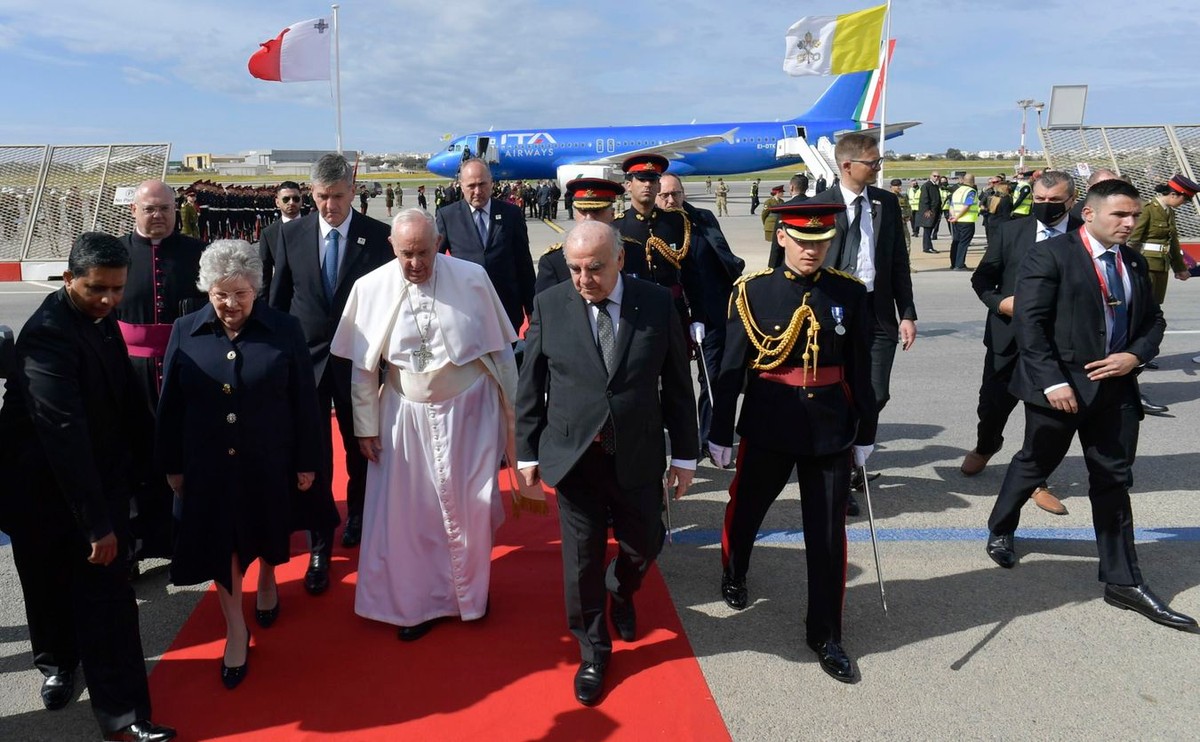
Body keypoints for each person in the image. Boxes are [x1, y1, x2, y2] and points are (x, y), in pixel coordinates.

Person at [984, 179, 1197, 632]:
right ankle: (1002, 524)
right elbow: (1030, 323)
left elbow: (1154, 320)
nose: (1129, 222)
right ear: (1090, 214)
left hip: (1115, 389)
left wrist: (1135, 356)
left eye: (1134, 215)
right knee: (1034, 461)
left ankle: (1122, 580)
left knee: (1114, 481)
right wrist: (1052, 382)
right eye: (1120, 215)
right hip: (1060, 389)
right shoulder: (1053, 255)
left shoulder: (1133, 261)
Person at [0, 233, 176, 742]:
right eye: (97, 288)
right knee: (45, 584)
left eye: (118, 289)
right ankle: (56, 664)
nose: (109, 300)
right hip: (37, 488)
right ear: (67, 279)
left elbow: (123, 401)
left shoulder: (98, 320)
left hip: (91, 478)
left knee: (108, 600)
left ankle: (125, 714)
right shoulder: (49, 335)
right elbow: (63, 434)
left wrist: (158, 465)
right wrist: (96, 524)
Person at [515, 220, 698, 707]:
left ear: (620, 259)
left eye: (594, 267)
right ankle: (594, 650)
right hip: (574, 456)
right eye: (574, 268)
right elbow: (530, 386)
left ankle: (621, 589)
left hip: (636, 452)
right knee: (581, 562)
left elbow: (679, 385)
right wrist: (527, 451)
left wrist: (684, 454)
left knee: (645, 543)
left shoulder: (657, 304)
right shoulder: (551, 305)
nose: (582, 279)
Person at [330, 208, 529, 641]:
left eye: (424, 252)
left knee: (470, 509)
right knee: (413, 516)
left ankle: (470, 597)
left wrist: (515, 420)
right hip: (403, 414)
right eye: (406, 254)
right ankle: (416, 603)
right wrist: (365, 426)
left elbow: (500, 355)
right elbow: (363, 369)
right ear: (392, 248)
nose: (416, 263)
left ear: (439, 244)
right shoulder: (371, 288)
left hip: (470, 414)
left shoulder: (472, 277)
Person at [708, 202, 876, 684]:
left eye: (821, 242)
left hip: (830, 425)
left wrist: (866, 431)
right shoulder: (753, 292)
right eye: (803, 241)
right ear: (782, 237)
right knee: (748, 511)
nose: (811, 250)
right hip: (770, 420)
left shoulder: (848, 291)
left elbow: (861, 367)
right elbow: (732, 369)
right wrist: (721, 431)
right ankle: (735, 569)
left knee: (826, 535)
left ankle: (825, 633)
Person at [157, 241, 320, 689]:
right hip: (208, 461)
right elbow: (169, 404)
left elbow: (304, 400)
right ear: (207, 290)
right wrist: (172, 463)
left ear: (256, 289)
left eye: (241, 295)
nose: (230, 305)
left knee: (268, 526)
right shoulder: (185, 329)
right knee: (221, 542)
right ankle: (235, 627)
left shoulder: (284, 329)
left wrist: (307, 460)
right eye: (220, 294)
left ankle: (268, 578)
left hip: (270, 457)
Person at [268, 153, 393, 587]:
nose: (329, 206)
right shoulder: (290, 235)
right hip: (306, 363)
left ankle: (358, 515)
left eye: (337, 196)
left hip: (359, 361)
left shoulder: (378, 236)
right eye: (321, 197)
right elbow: (279, 301)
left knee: (361, 446)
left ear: (352, 192)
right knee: (313, 454)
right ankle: (320, 543)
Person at [803, 133, 918, 507]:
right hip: (833, 310)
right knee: (835, 393)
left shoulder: (885, 203)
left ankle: (853, 454)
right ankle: (842, 470)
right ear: (848, 165)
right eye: (873, 162)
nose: (878, 167)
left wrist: (908, 313)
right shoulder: (818, 206)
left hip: (877, 310)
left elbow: (898, 262)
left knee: (875, 393)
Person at [967, 171, 1082, 515]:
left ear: (1072, 201)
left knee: (1045, 415)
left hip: (1057, 342)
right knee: (992, 404)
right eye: (1040, 200)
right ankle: (986, 445)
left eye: (1055, 201)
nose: (1046, 207)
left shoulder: (1083, 235)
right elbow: (983, 277)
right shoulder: (1011, 230)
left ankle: (1036, 480)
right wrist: (1000, 303)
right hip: (1009, 336)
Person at [116, 179, 208, 563]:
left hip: (184, 367)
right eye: (150, 209)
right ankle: (135, 544)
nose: (158, 216)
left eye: (165, 209)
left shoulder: (198, 252)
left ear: (177, 211)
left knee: (183, 452)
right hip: (129, 371)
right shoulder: (115, 252)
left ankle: (182, 539)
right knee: (133, 457)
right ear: (134, 210)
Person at [657, 173, 745, 453]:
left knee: (713, 377)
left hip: (710, 313)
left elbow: (723, 258)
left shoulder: (703, 218)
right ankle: (674, 434)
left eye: (676, 193)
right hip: (671, 315)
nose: (671, 200)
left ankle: (710, 436)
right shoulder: (650, 228)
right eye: (664, 195)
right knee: (671, 382)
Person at [614, 154, 707, 347]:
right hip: (634, 314)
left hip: (673, 310)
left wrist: (697, 315)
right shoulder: (616, 227)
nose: (647, 185)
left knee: (677, 373)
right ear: (628, 185)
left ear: (658, 186)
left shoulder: (676, 222)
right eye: (641, 179)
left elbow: (691, 273)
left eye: (653, 180)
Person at [436, 158, 535, 336]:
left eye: (482, 184)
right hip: (464, 311)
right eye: (471, 186)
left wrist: (532, 310)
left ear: (491, 183)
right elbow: (436, 263)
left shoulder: (511, 214)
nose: (477, 191)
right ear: (461, 185)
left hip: (506, 309)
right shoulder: (447, 216)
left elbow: (524, 265)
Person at [535, 177, 624, 294]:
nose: (589, 219)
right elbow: (546, 307)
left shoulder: (634, 252)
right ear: (575, 214)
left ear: (612, 214)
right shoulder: (553, 261)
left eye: (597, 211)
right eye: (583, 211)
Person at [1127, 174, 1195, 306]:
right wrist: (1131, 265)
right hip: (1146, 265)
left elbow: (1173, 242)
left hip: (1162, 265)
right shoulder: (1148, 210)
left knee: (1156, 304)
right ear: (1173, 195)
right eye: (1184, 200)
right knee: (1144, 304)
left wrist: (1179, 268)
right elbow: (1133, 239)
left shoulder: (1169, 212)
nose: (1184, 204)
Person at [257, 181, 304, 294]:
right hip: (282, 295)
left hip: (310, 297)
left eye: (296, 199)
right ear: (277, 202)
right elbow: (265, 273)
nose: (291, 203)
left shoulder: (315, 227)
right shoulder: (268, 233)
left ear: (302, 200)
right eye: (286, 199)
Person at [947, 173, 979, 270]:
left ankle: (954, 263)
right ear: (973, 181)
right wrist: (958, 217)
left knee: (956, 241)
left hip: (956, 221)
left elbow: (951, 205)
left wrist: (953, 216)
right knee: (963, 243)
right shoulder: (971, 191)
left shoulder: (957, 191)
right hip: (966, 220)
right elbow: (967, 205)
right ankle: (960, 264)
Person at [917, 170, 942, 254]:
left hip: (935, 211)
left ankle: (928, 246)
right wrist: (927, 210)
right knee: (927, 229)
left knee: (930, 229)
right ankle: (927, 247)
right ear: (930, 176)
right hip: (929, 212)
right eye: (934, 176)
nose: (936, 178)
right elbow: (924, 199)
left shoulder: (935, 186)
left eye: (938, 176)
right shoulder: (926, 186)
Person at [890, 178, 912, 252]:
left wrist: (908, 216)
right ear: (891, 187)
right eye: (896, 186)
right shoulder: (887, 197)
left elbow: (908, 207)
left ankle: (906, 261)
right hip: (892, 224)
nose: (899, 187)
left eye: (900, 185)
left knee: (907, 242)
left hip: (903, 223)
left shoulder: (903, 197)